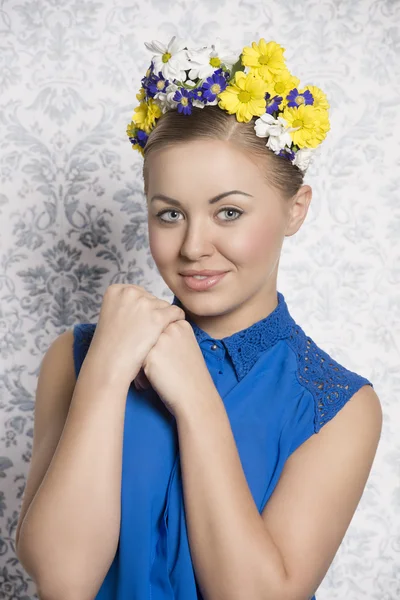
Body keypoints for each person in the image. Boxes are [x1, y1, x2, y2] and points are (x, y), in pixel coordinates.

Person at [15, 36, 382, 600]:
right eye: (169, 214)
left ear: (295, 209)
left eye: (228, 212)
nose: (193, 247)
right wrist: (107, 372)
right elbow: (63, 580)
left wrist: (195, 397)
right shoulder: (77, 357)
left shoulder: (338, 407)